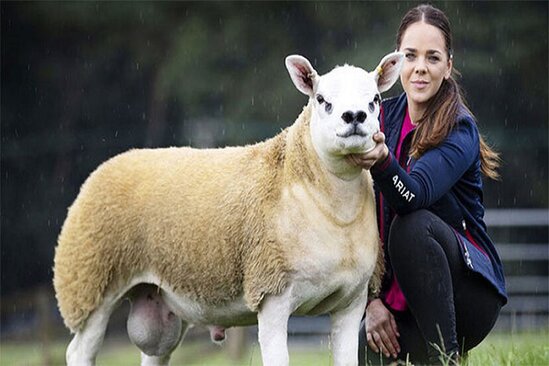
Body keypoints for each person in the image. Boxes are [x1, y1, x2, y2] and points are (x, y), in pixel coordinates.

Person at [349, 4, 507, 365]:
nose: (420, 67)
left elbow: (413, 196)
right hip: (396, 302)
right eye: (411, 56)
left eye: (432, 57)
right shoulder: (379, 116)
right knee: (361, 350)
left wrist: (383, 162)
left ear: (448, 66)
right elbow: (355, 217)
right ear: (396, 63)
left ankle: (446, 358)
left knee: (413, 226)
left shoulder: (460, 129)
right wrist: (370, 302)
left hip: (468, 297)